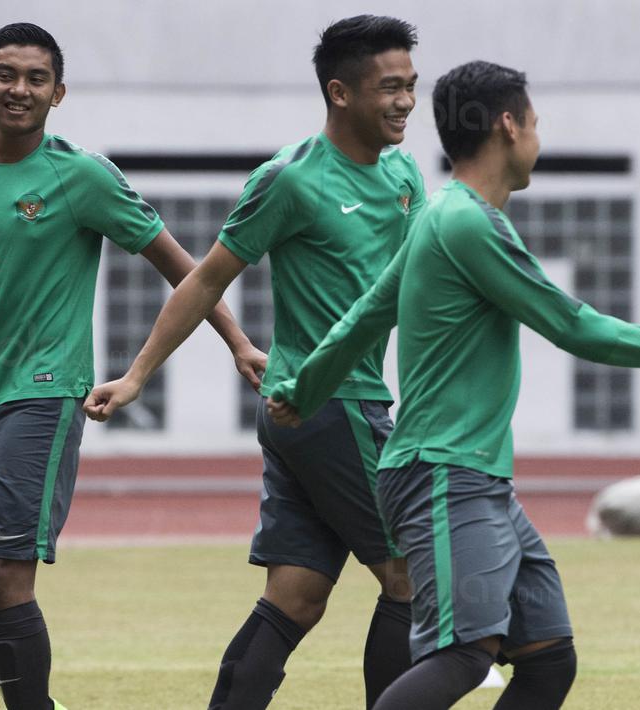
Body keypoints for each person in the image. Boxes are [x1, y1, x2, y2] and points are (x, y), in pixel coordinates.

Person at [0, 22, 263, 710]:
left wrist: (235, 342)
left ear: (58, 93)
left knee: (3, 574)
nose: (17, 89)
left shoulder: (80, 174)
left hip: (41, 396)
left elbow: (186, 268)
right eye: (5, 74)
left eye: (34, 78)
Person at [85, 15, 425, 709]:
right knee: (410, 576)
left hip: (310, 409)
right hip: (334, 407)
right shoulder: (289, 180)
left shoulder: (405, 173)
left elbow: (419, 286)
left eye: (411, 86)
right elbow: (206, 278)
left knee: (295, 595)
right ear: (339, 92)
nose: (404, 102)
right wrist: (138, 374)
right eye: (389, 88)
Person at [266, 60, 622, 710]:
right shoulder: (467, 225)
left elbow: (363, 316)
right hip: (443, 473)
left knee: (547, 658)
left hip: (471, 478)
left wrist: (302, 389)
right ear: (508, 126)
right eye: (535, 124)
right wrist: (306, 391)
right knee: (462, 655)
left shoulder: (437, 217)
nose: (538, 140)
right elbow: (576, 328)